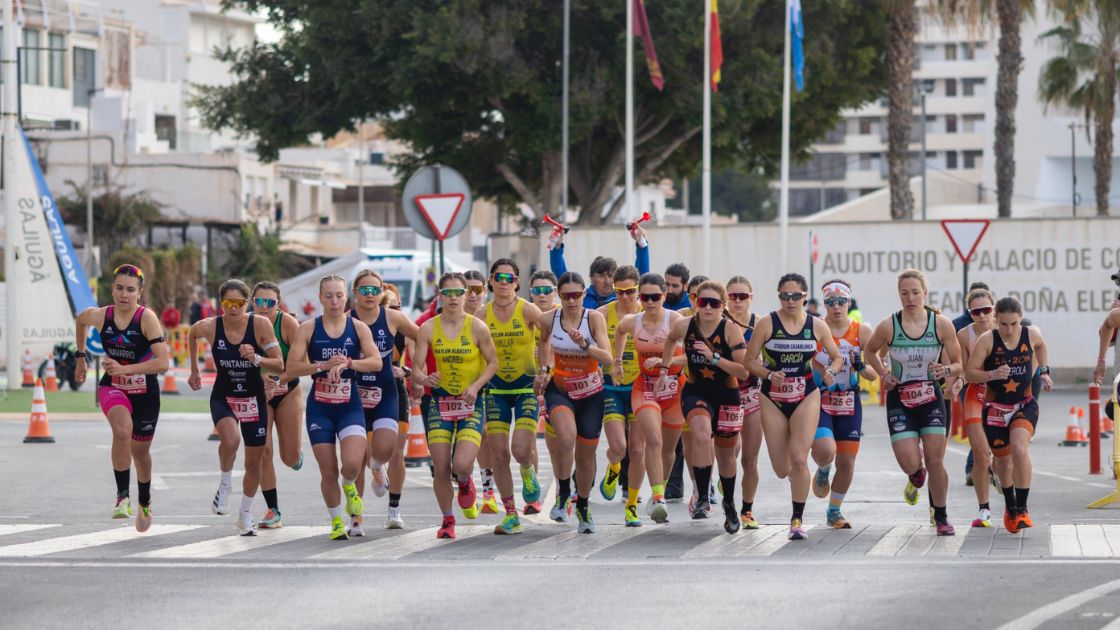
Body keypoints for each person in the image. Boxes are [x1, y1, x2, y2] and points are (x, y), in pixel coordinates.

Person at [285, 275, 385, 540]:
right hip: (320, 407)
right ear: (320, 298)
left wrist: (350, 364)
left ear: (346, 297)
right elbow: (292, 367)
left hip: (350, 405)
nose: (334, 301)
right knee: (327, 470)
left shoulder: (358, 328)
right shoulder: (308, 328)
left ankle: (350, 486)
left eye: (339, 295)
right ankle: (337, 521)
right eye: (328, 296)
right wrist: (321, 366)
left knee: (352, 463)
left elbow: (376, 362)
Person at [864, 269, 963, 537]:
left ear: (925, 293)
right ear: (899, 295)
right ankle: (914, 475)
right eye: (905, 293)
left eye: (915, 292)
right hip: (901, 398)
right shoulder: (889, 325)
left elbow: (958, 362)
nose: (910, 298)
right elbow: (869, 351)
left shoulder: (941, 324)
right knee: (910, 463)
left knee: (936, 460)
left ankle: (941, 516)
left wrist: (948, 371)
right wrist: (884, 375)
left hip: (931, 397)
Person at [745, 274, 843, 541]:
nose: (790, 301)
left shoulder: (817, 325)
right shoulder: (767, 323)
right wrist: (767, 375)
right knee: (781, 468)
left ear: (804, 297)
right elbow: (749, 361)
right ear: (779, 297)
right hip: (772, 397)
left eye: (796, 296)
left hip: (806, 394)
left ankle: (797, 519)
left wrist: (832, 371)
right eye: (784, 296)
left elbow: (836, 357)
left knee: (800, 458)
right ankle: (797, 481)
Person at [74, 264, 170, 532]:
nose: (123, 295)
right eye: (119, 288)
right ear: (112, 289)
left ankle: (145, 500)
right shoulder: (102, 315)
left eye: (130, 290)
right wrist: (80, 358)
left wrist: (125, 369)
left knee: (141, 454)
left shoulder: (146, 318)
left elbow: (163, 363)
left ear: (139, 293)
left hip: (145, 393)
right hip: (113, 387)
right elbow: (80, 320)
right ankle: (122, 497)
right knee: (121, 431)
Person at [187, 279, 284, 535]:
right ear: (221, 304)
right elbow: (192, 333)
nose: (233, 308)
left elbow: (279, 364)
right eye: (228, 303)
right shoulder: (211, 326)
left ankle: (244, 513)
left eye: (239, 303)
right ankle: (225, 483)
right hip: (224, 396)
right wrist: (194, 370)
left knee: (255, 463)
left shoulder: (260, 325)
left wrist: (256, 357)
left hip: (253, 398)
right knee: (230, 441)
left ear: (247, 303)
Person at [661, 280, 754, 534]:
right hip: (696, 391)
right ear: (695, 304)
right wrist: (664, 370)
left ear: (722, 306)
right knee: (701, 435)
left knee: (726, 454)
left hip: (727, 394)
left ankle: (729, 503)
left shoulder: (730, 330)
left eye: (714, 303)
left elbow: (743, 371)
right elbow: (670, 341)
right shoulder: (685, 325)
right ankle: (702, 495)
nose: (708, 308)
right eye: (703, 302)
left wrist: (713, 357)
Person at [411, 272, 500, 539]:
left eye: (458, 293)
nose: (453, 298)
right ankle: (447, 520)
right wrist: (425, 378)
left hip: (470, 403)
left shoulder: (477, 327)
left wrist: (475, 387)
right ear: (439, 295)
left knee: (461, 464)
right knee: (440, 467)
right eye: (447, 293)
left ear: (465, 295)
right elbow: (415, 369)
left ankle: (465, 481)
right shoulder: (428, 328)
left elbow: (493, 363)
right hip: (440, 402)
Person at [964, 296, 1052, 533]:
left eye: (1013, 324)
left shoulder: (1031, 334)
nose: (1009, 330)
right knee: (1002, 462)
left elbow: (1041, 345)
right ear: (996, 320)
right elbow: (970, 373)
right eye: (1003, 324)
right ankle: (1010, 506)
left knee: (1020, 449)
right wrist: (991, 375)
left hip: (1024, 404)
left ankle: (1022, 508)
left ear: (1020, 319)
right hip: (995, 409)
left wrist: (1043, 371)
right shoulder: (987, 340)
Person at [535, 272, 614, 533]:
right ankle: (564, 492)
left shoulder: (594, 318)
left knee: (585, 455)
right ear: (559, 295)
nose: (571, 301)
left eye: (577, 295)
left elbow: (608, 359)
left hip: (591, 394)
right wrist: (545, 368)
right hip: (560, 391)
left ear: (584, 294)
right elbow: (544, 341)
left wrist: (585, 345)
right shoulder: (549, 319)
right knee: (566, 438)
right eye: (566, 295)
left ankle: (583, 504)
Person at [349, 270, 420, 536]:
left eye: (374, 291)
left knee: (393, 451)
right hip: (356, 392)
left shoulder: (395, 320)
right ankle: (356, 517)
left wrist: (413, 373)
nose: (370, 295)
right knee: (356, 457)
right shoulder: (346, 321)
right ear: (355, 292)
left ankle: (394, 509)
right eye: (364, 290)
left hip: (391, 391)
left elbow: (424, 338)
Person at [613, 273, 686, 526]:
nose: (650, 302)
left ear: (664, 296)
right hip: (645, 387)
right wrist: (618, 361)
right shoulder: (633, 321)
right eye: (645, 297)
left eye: (656, 297)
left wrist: (667, 362)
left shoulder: (675, 320)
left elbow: (691, 357)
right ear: (639, 298)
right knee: (650, 441)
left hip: (675, 390)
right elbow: (620, 332)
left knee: (668, 451)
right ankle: (645, 501)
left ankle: (659, 493)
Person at [478, 259, 545, 534]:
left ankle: (528, 469)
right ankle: (510, 515)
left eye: (509, 278)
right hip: (496, 391)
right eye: (498, 277)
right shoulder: (481, 316)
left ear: (517, 282)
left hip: (525, 389)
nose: (503, 282)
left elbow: (548, 336)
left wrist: (545, 370)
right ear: (491, 281)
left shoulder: (528, 310)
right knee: (499, 454)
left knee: (520, 450)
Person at [809, 280, 877, 529]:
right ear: (824, 303)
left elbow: (873, 374)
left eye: (841, 301)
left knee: (847, 463)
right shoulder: (815, 328)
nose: (836, 307)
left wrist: (860, 365)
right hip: (821, 401)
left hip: (849, 400)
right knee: (826, 450)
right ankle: (824, 467)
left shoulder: (862, 331)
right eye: (830, 302)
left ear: (849, 302)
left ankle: (834, 511)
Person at [250, 281, 306, 530]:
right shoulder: (244, 323)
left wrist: (276, 380)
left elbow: (300, 363)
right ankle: (273, 509)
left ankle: (296, 454)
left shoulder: (287, 324)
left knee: (288, 457)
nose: (264, 307)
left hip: (287, 390)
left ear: (278, 304)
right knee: (263, 450)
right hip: (257, 393)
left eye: (270, 303)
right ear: (252, 302)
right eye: (259, 302)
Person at [950, 287, 997, 527]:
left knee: (1002, 455)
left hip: (1004, 395)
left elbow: (1037, 346)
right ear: (970, 313)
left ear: (994, 309)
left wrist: (1042, 372)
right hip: (975, 394)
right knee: (981, 453)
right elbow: (966, 370)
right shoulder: (963, 335)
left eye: (986, 310)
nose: (981, 316)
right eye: (976, 312)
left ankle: (1014, 501)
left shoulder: (1008, 329)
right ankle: (984, 510)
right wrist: (958, 381)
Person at [598, 265, 643, 506]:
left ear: (638, 289)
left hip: (639, 387)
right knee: (619, 447)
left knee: (637, 450)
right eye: (619, 291)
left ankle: (632, 504)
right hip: (611, 386)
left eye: (630, 291)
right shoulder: (603, 314)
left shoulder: (648, 311)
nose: (625, 296)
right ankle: (614, 467)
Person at [665, 274, 710, 503]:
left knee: (717, 442)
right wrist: (667, 365)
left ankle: (714, 477)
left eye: (707, 299)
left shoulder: (721, 321)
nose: (700, 303)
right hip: (686, 385)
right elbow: (675, 350)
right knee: (690, 439)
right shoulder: (681, 319)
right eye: (694, 297)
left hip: (717, 386)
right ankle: (697, 488)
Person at [726, 276, 763, 529]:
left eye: (743, 296)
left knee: (750, 459)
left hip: (752, 396)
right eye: (733, 296)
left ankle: (747, 510)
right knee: (730, 452)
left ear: (752, 297)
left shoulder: (761, 324)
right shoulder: (719, 321)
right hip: (726, 395)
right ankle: (721, 487)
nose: (738, 301)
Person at [463, 270, 500, 515]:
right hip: (456, 386)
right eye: (468, 290)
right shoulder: (448, 316)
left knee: (486, 434)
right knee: (462, 441)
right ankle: (466, 483)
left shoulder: (489, 314)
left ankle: (488, 491)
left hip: (487, 383)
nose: (473, 295)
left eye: (478, 290)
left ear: (485, 292)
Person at [549, 226, 650, 308]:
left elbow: (641, 275)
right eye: (601, 276)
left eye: (611, 276)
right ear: (592, 277)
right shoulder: (580, 296)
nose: (607, 281)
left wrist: (641, 242)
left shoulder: (625, 295)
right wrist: (556, 246)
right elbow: (561, 274)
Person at [382, 283, 412, 529]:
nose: (393, 312)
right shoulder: (361, 327)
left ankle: (394, 509)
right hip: (366, 391)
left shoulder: (403, 327)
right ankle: (374, 467)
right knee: (368, 451)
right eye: (388, 307)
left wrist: (407, 371)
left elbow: (421, 349)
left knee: (397, 452)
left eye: (397, 307)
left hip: (396, 390)